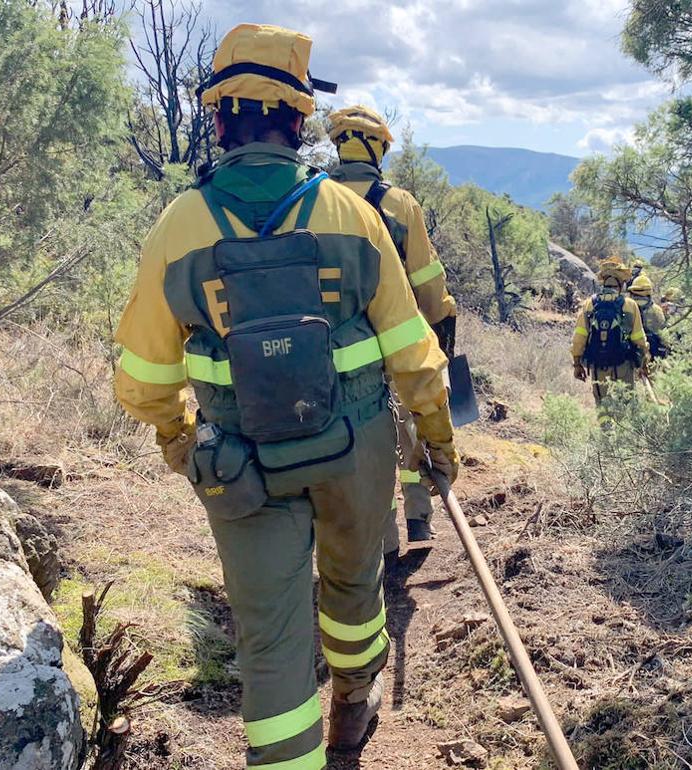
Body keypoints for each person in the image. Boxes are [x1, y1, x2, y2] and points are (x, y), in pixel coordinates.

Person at [112, 24, 458, 767]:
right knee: (355, 587)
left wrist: (182, 440)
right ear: (300, 122)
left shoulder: (179, 224)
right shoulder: (352, 214)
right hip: (355, 448)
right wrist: (435, 437)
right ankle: (352, 706)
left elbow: (143, 377)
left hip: (239, 462)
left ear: (217, 120)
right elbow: (413, 353)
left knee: (269, 634)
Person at [327, 105, 456, 558]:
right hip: (395, 342)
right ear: (378, 147)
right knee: (411, 429)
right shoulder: (399, 204)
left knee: (363, 437)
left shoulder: (313, 200)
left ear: (338, 145)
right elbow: (426, 280)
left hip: (334, 350)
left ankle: (380, 539)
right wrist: (438, 330)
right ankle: (419, 516)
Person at [571, 257, 649, 405]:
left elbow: (579, 338)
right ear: (621, 284)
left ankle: (606, 427)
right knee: (627, 403)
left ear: (604, 281)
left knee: (602, 404)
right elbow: (639, 339)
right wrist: (644, 362)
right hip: (624, 363)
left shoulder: (589, 304)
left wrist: (577, 364)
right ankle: (626, 427)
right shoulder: (630, 305)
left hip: (598, 363)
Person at [628, 274, 669, 362]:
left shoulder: (626, 307)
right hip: (652, 357)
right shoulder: (657, 310)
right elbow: (663, 334)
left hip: (629, 357)